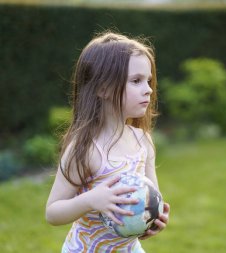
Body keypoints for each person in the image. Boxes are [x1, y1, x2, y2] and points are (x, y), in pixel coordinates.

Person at [45, 31, 170, 253]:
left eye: (148, 81)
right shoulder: (85, 149)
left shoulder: (143, 141)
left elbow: (151, 197)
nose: (149, 89)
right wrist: (90, 200)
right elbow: (52, 212)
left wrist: (153, 219)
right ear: (103, 88)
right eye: (136, 81)